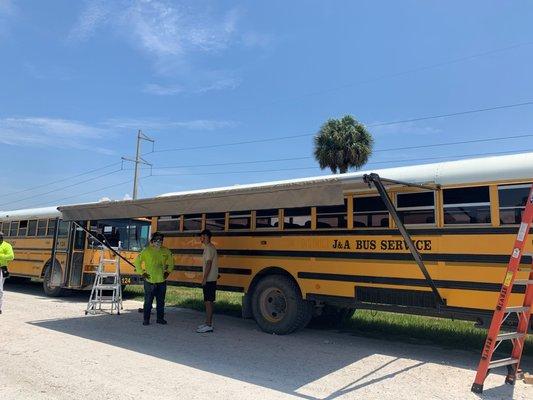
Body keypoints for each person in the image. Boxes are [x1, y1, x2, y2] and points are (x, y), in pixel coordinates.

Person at [134, 232, 173, 326]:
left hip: (161, 281)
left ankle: (160, 319)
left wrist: (168, 272)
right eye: (157, 239)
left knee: (160, 302)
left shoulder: (166, 251)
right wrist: (142, 273)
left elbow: (171, 262)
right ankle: (146, 319)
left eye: (161, 239)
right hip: (149, 281)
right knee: (148, 302)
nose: (159, 241)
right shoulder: (146, 251)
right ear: (152, 240)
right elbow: (137, 262)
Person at [196, 229, 218, 333]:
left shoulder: (209, 248)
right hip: (212, 277)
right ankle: (208, 322)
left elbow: (208, 263)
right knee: (209, 301)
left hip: (209, 279)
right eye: (201, 237)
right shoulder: (210, 247)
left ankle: (208, 324)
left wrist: (204, 278)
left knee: (208, 302)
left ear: (208, 237)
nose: (202, 238)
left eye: (203, 237)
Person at [0, 232, 14, 315]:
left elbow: (11, 256)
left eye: (1, 237)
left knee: (0, 290)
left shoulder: (7, 246)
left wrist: (1, 256)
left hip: (1, 269)